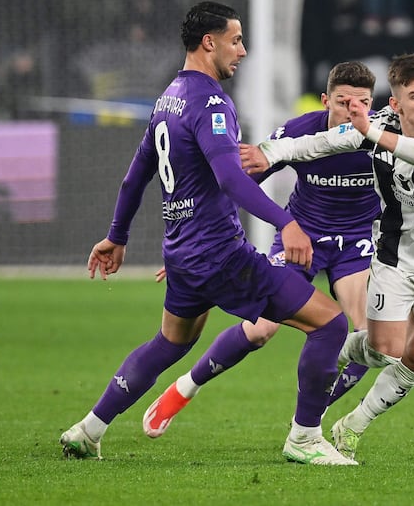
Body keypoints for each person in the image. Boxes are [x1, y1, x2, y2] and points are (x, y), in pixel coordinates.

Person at [58, 1, 356, 466]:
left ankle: (88, 429)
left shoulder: (168, 98)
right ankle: (305, 438)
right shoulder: (211, 102)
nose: (242, 50)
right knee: (331, 323)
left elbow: (136, 175)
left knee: (171, 343)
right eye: (236, 40)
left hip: (183, 252)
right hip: (221, 254)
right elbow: (230, 178)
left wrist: (117, 236)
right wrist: (287, 222)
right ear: (209, 42)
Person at [240, 52, 414, 460]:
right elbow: (324, 141)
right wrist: (270, 153)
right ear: (396, 104)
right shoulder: (378, 126)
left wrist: (369, 131)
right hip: (394, 256)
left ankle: (353, 423)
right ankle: (332, 346)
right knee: (387, 349)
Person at [143, 61, 380, 435]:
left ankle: (309, 417)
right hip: (303, 237)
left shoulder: (382, 138)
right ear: (324, 101)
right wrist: (193, 244)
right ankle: (184, 388)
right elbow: (240, 182)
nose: (352, 111)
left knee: (371, 337)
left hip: (356, 242)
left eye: (362, 103)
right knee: (260, 331)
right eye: (342, 102)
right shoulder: (300, 131)